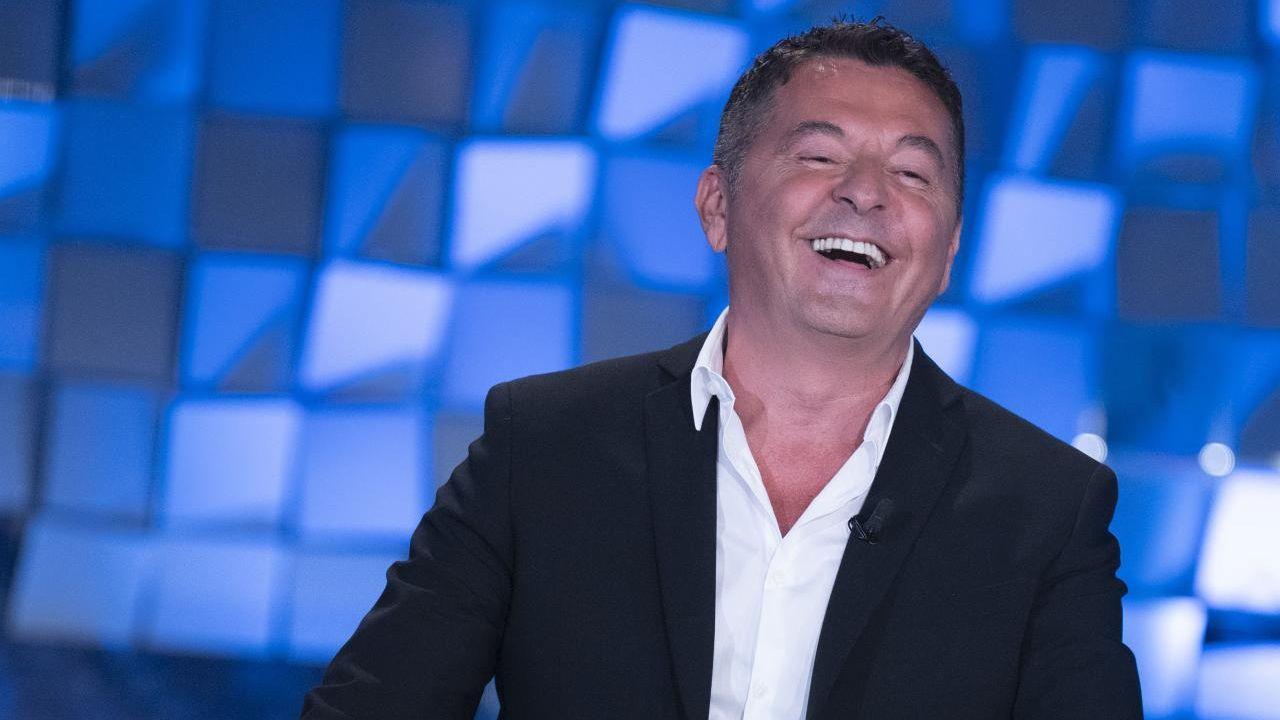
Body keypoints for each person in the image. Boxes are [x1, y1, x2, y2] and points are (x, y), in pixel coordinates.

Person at [301, 18, 1142, 720]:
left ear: (950, 248)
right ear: (717, 206)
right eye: (820, 156)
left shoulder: (1048, 508)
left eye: (912, 172)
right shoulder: (544, 447)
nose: (866, 193)